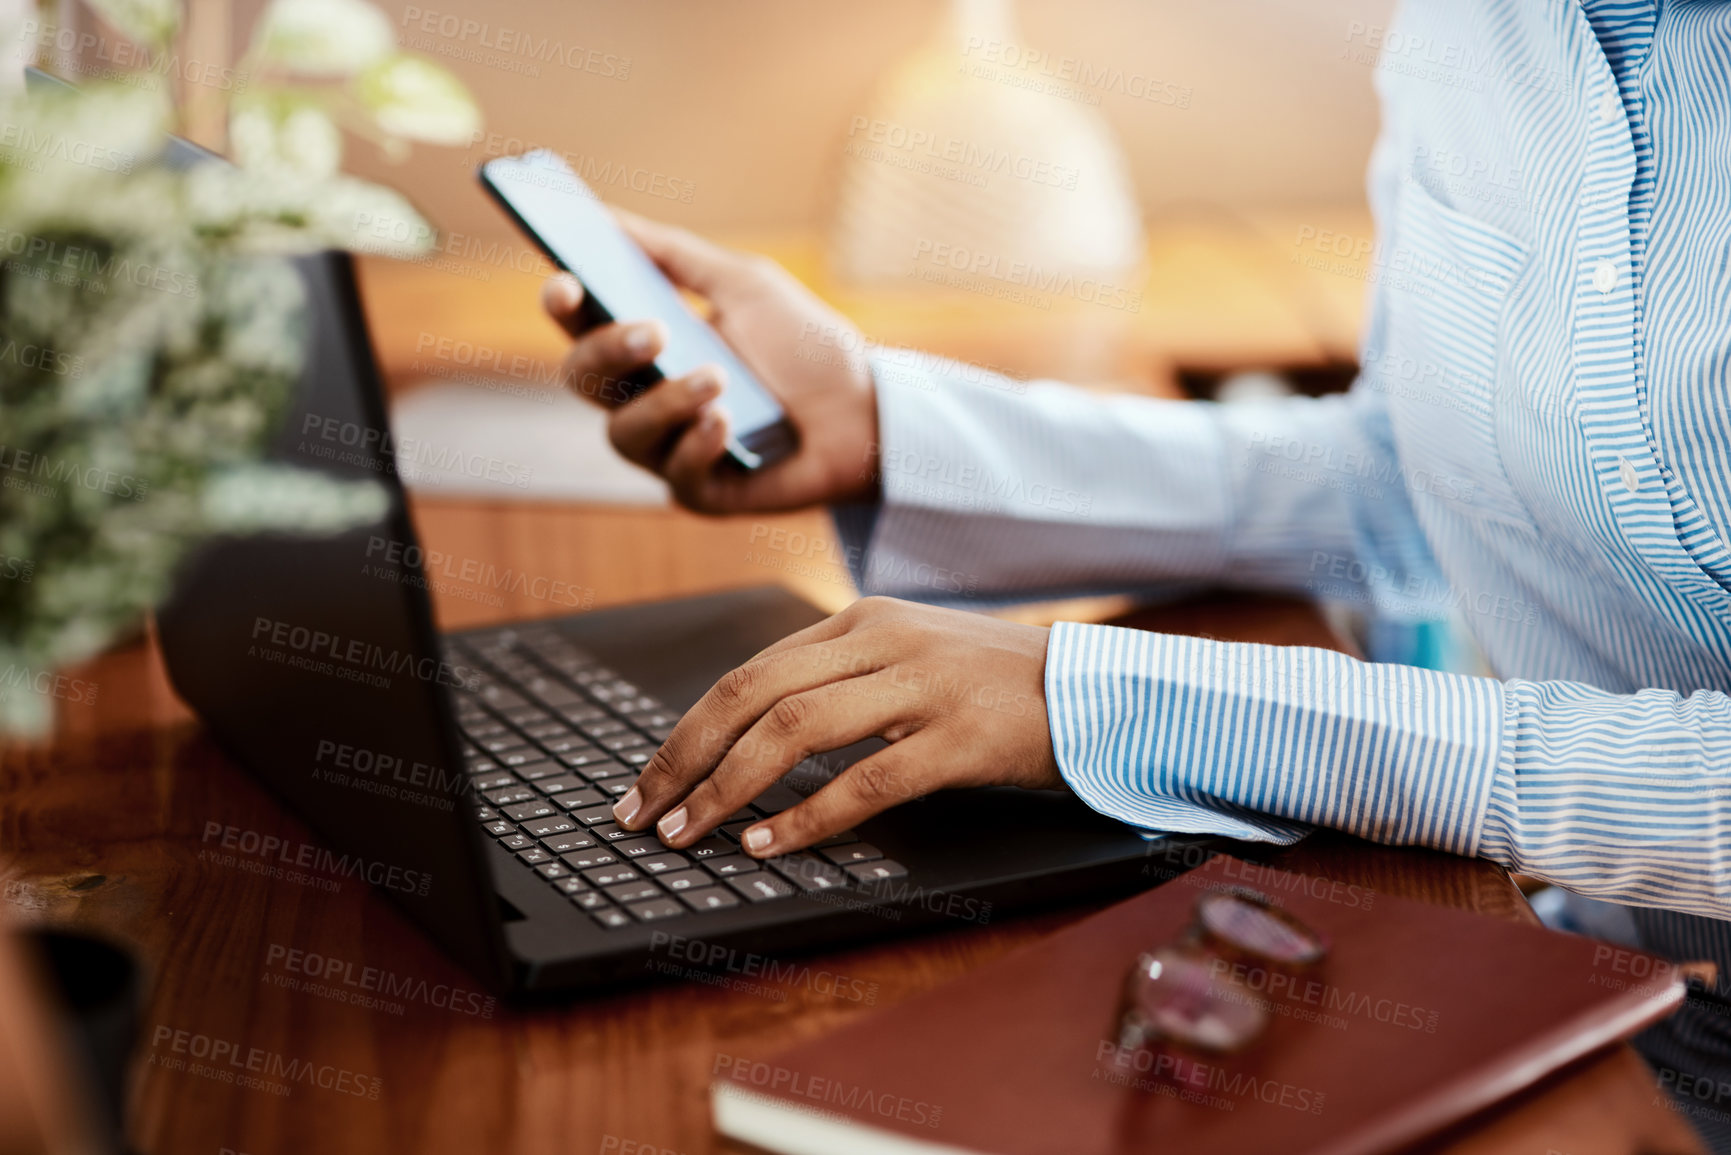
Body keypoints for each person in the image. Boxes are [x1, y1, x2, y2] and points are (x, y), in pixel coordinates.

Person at [544, 1, 1731, 1142]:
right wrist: (882, 426)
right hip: (1614, 973)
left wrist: (1117, 703)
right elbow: (1406, 480)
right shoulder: (1467, 33)